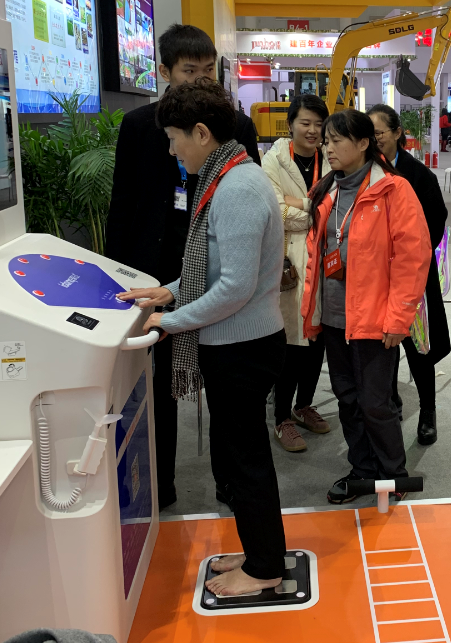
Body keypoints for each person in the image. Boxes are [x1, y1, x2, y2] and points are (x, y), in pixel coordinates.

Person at [117, 79, 287, 596]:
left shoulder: (236, 188)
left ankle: (264, 568)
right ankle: (259, 550)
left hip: (242, 349)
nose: (173, 151)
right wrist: (168, 292)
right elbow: (209, 272)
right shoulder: (227, 177)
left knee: (245, 459)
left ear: (201, 132)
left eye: (175, 139)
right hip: (235, 343)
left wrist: (169, 320)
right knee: (239, 456)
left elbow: (234, 288)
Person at [105, 24, 260, 510]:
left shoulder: (236, 126)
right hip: (155, 271)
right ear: (164, 71)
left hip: (214, 267)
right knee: (160, 384)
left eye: (208, 70)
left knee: (222, 381)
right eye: (190, 71)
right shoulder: (139, 125)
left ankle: (229, 482)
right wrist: (117, 273)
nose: (200, 80)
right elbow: (123, 204)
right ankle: (161, 483)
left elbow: (248, 200)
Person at [300, 110, 431, 504]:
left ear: (362, 144)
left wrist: (399, 318)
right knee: (347, 399)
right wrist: (311, 313)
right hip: (335, 316)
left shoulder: (393, 190)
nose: (328, 147)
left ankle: (393, 474)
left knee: (375, 403)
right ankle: (362, 470)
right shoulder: (326, 190)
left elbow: (413, 259)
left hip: (375, 318)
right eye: (326, 141)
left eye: (336, 140)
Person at [368, 104, 451, 445]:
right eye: (369, 134)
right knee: (381, 344)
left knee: (419, 346)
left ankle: (428, 410)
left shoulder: (419, 175)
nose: (374, 139)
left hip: (413, 275)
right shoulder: (366, 171)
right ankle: (392, 401)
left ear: (397, 133)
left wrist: (407, 255)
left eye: (379, 133)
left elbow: (436, 221)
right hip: (376, 276)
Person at [262, 95, 332, 453]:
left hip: (325, 260)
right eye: (306, 123)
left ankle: (304, 405)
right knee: (290, 341)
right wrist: (315, 209)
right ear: (290, 124)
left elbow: (338, 208)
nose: (313, 131)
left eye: (319, 124)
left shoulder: (329, 158)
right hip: (288, 261)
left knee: (317, 338)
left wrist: (301, 204)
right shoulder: (273, 160)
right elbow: (275, 211)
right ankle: (281, 418)